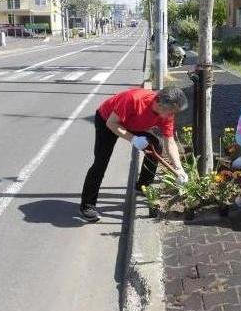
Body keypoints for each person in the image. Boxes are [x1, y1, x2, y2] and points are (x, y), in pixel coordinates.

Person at [80, 87, 189, 222]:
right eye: (171, 111)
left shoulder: (167, 112)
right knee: (101, 162)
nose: (172, 115)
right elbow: (111, 123)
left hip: (133, 124)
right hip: (108, 120)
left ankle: (143, 185)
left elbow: (170, 142)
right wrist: (133, 139)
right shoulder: (134, 100)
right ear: (159, 104)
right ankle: (87, 205)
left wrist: (179, 168)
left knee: (156, 145)